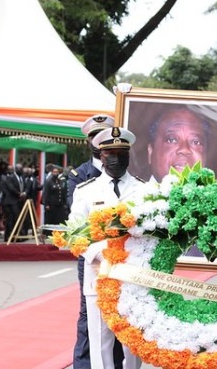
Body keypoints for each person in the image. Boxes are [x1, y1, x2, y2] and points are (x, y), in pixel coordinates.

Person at [71, 126, 144, 369]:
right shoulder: (86, 191)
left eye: (121, 154)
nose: (115, 159)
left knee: (133, 341)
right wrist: (100, 256)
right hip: (98, 275)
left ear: (129, 156)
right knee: (100, 341)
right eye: (110, 154)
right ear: (101, 156)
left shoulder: (144, 190)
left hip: (133, 276)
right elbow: (75, 232)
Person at [68, 113, 115, 369]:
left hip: (125, 257)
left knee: (123, 315)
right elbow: (77, 222)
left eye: (104, 133)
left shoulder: (129, 171)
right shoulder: (79, 175)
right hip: (94, 256)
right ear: (89, 142)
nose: (99, 139)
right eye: (94, 136)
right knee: (91, 317)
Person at [147, 106, 209, 181]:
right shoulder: (132, 192)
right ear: (150, 152)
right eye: (172, 140)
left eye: (195, 142)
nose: (184, 150)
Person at [1, 165, 25, 241]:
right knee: (10, 220)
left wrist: (24, 193)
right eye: (20, 169)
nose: (21, 170)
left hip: (18, 201)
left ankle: (16, 236)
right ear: (16, 169)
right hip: (10, 202)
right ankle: (8, 236)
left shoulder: (21, 178)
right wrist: (19, 193)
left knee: (16, 219)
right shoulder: (10, 177)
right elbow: (11, 188)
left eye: (21, 169)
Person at [42, 166, 68, 231]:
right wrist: (46, 204)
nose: (55, 173)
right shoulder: (49, 181)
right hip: (51, 204)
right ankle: (48, 232)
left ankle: (60, 231)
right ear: (52, 173)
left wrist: (64, 203)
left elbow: (63, 192)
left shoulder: (60, 181)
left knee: (60, 218)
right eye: (54, 172)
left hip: (60, 204)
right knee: (51, 219)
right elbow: (46, 193)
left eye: (57, 172)